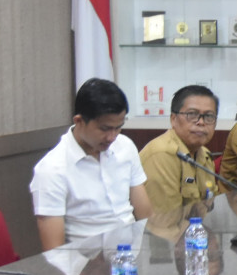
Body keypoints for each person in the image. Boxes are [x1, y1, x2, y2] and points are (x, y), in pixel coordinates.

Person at [30, 78, 152, 250]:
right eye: (104, 129)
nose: (112, 137)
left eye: (118, 128)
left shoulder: (125, 146)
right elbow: (54, 251)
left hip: (133, 254)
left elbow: (144, 214)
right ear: (79, 121)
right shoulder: (52, 169)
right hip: (87, 264)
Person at [139, 85, 221, 213]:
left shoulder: (204, 154)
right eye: (192, 114)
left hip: (195, 230)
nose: (201, 122)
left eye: (209, 116)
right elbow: (164, 224)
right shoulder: (162, 155)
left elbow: (210, 207)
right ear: (173, 119)